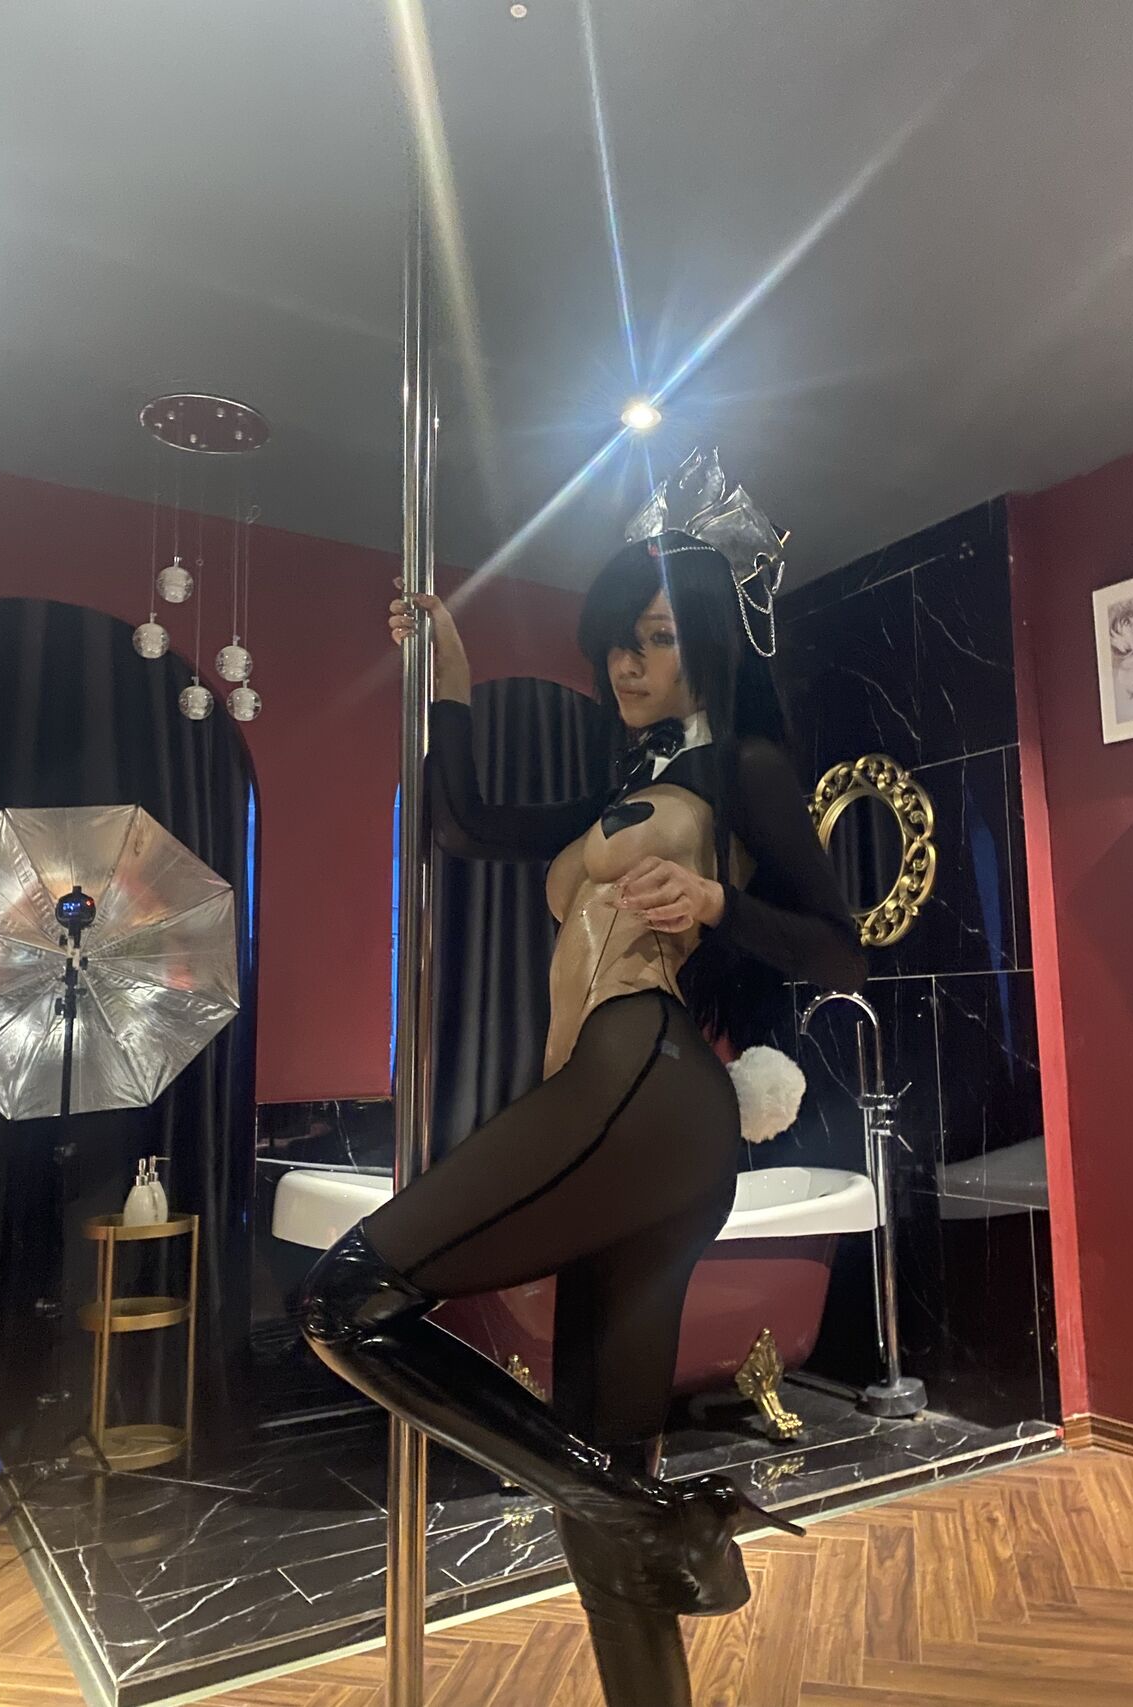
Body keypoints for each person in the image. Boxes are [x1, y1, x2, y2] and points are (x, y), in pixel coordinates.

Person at [301, 525, 865, 1706]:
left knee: (341, 1301)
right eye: (614, 641)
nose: (625, 662)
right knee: (600, 1499)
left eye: (654, 637)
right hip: (630, 1117)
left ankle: (648, 1510)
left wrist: (713, 900)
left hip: (644, 1083)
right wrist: (449, 679)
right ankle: (640, 1512)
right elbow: (460, 824)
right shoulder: (621, 783)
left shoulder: (746, 766)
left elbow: (839, 949)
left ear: (707, 644)